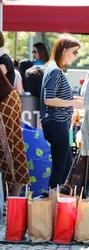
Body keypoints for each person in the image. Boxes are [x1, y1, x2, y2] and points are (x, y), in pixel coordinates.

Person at [40, 35, 83, 189]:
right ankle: (54, 204)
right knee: (61, 169)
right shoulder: (54, 71)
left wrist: (76, 99)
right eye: (74, 52)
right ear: (64, 51)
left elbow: (56, 96)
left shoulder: (53, 69)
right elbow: (48, 99)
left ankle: (57, 202)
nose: (75, 56)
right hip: (56, 124)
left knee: (65, 167)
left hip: (57, 124)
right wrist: (73, 102)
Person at [0, 68, 29, 196]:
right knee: (13, 148)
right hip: (8, 99)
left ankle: (10, 200)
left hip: (5, 101)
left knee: (7, 150)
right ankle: (12, 199)